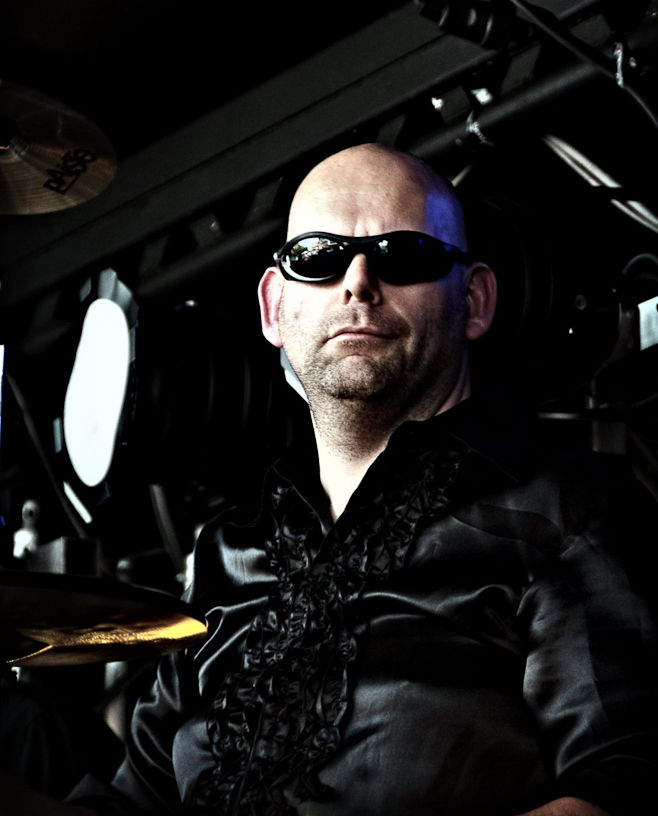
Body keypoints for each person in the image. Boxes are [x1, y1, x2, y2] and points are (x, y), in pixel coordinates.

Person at [10, 144, 658, 815]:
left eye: (403, 254)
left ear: (474, 300)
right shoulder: (227, 555)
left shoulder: (567, 510)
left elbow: (627, 781)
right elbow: (131, 800)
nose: (357, 282)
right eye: (318, 256)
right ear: (273, 307)